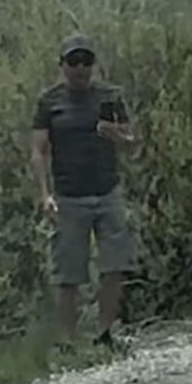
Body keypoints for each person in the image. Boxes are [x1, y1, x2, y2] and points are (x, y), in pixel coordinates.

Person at [30, 33, 138, 351]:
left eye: (86, 61)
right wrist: (44, 194)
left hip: (107, 192)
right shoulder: (49, 101)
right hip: (69, 197)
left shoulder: (110, 96)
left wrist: (116, 134)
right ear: (62, 64)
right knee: (68, 272)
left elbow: (133, 144)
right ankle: (67, 341)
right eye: (73, 61)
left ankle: (104, 334)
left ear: (94, 64)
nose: (80, 68)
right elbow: (38, 151)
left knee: (114, 265)